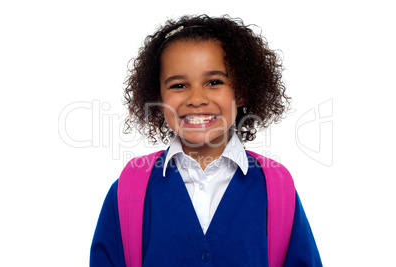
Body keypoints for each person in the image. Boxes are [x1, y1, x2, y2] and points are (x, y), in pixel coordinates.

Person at [90, 14, 322, 266]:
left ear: (241, 90)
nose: (197, 98)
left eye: (214, 82)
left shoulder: (276, 188)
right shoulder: (130, 189)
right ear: (158, 97)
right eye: (178, 85)